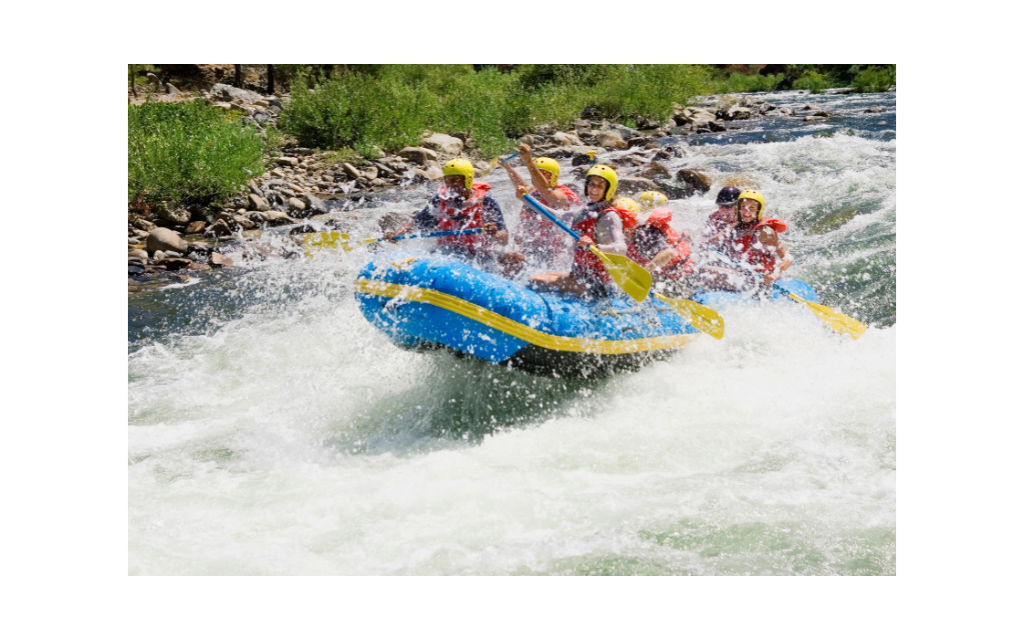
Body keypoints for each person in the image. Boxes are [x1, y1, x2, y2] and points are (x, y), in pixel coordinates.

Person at [384, 158, 525, 274]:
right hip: (447, 252)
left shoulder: (486, 202)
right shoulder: (440, 200)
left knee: (516, 258)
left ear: (468, 179)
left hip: (480, 254)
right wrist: (396, 234)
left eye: (455, 180)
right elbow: (416, 222)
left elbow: (504, 240)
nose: (451, 185)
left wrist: (494, 233)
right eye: (448, 180)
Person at [530, 164, 637, 298]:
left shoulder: (609, 215)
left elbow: (621, 248)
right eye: (591, 184)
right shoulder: (585, 210)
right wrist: (527, 199)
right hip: (580, 274)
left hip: (597, 282)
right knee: (543, 276)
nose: (594, 188)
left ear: (609, 190)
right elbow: (555, 216)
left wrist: (595, 246)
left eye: (600, 185)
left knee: (535, 280)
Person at [500, 144, 580, 268]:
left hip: (553, 250)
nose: (536, 176)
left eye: (542, 174)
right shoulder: (533, 191)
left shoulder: (563, 196)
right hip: (530, 246)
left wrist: (528, 161)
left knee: (557, 259)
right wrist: (508, 168)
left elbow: (547, 193)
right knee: (507, 258)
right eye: (536, 173)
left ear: (553, 177)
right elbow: (521, 185)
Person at [626, 190, 696, 297]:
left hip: (681, 282)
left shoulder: (645, 231)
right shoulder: (662, 223)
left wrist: (642, 274)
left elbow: (668, 253)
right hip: (690, 272)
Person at [719, 189, 792, 287]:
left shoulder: (765, 231)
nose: (747, 211)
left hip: (763, 279)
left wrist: (774, 275)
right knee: (706, 269)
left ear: (759, 210)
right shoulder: (735, 227)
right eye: (743, 207)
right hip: (745, 274)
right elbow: (710, 241)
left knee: (715, 276)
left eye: (752, 208)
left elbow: (787, 257)